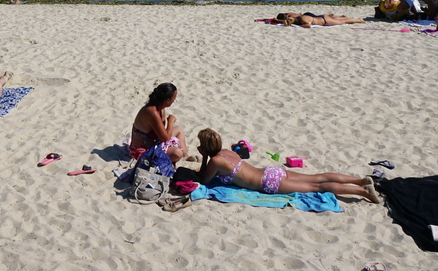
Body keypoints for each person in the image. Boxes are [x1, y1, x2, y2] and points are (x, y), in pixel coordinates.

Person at [196, 128, 380, 202]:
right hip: (271, 171)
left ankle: (363, 192)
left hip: (268, 183)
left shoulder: (215, 161)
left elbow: (204, 180)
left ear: (205, 147)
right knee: (318, 178)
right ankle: (359, 181)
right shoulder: (227, 152)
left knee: (318, 187)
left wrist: (203, 157)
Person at [130, 83, 188, 163]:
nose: (174, 100)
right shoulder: (152, 112)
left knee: (179, 130)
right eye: (174, 97)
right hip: (144, 149)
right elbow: (165, 138)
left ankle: (185, 156)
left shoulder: (160, 107)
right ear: (167, 100)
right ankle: (181, 155)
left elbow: (162, 132)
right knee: (177, 153)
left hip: (155, 142)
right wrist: (170, 122)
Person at [275, 12, 366, 28]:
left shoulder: (303, 20)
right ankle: (354, 18)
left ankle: (360, 20)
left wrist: (298, 26)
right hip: (322, 17)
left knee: (344, 22)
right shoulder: (301, 17)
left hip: (325, 22)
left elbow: (308, 26)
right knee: (343, 20)